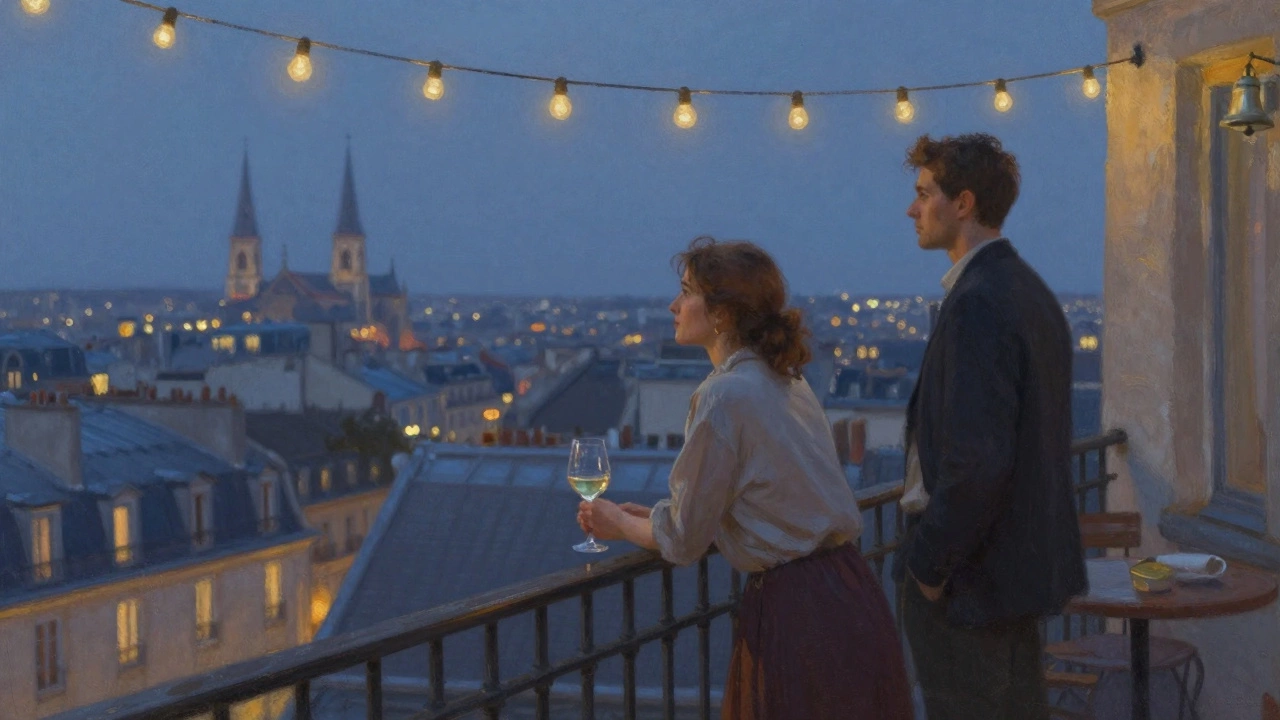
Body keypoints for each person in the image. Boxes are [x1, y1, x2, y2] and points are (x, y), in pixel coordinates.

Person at [577, 236, 913, 720]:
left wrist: (617, 522)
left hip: (797, 614)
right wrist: (657, 517)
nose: (673, 305)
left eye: (687, 291)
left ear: (722, 314)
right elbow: (764, 496)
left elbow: (685, 538)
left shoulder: (724, 396)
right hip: (850, 594)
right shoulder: (787, 382)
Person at [894, 133, 1086, 720]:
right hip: (1011, 580)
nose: (912, 208)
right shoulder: (1030, 292)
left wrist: (926, 568)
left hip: (969, 587)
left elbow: (977, 462)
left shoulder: (978, 301)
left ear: (964, 203)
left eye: (924, 194)